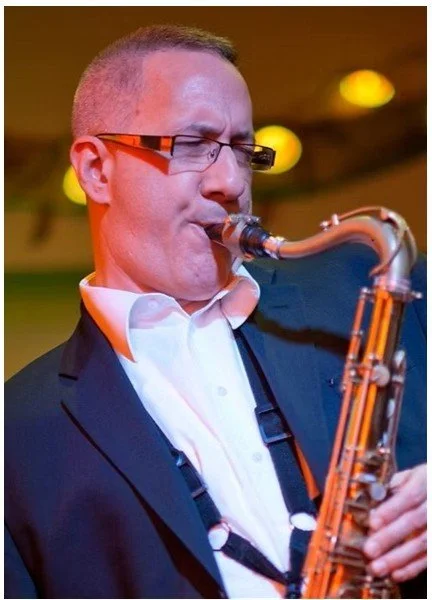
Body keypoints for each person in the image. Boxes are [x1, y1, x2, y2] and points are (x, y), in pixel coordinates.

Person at [5, 25, 426, 599]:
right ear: (96, 170)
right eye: (190, 144)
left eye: (244, 151)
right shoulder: (17, 436)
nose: (230, 183)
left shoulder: (364, 282)